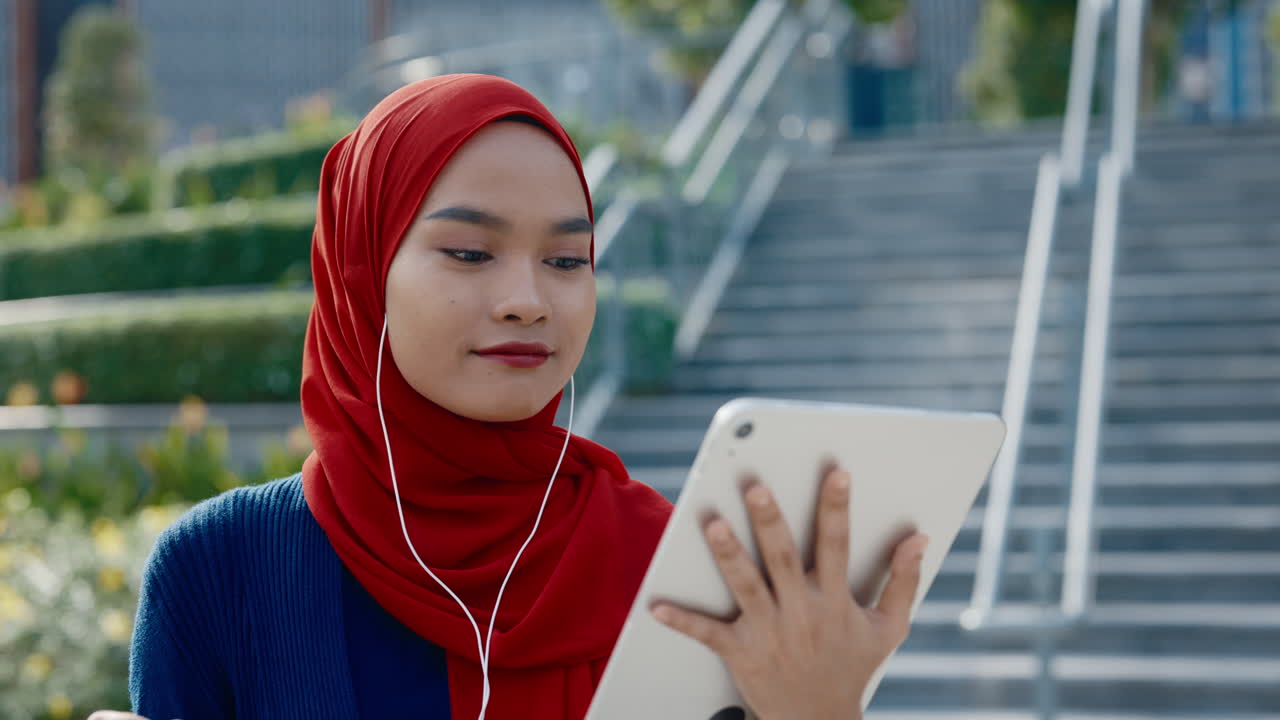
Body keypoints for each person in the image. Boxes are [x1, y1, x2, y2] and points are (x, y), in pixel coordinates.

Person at [88, 73, 927, 720]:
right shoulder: (222, 573)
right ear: (361, 272)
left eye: (568, 261)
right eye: (468, 252)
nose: (529, 299)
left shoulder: (677, 571)